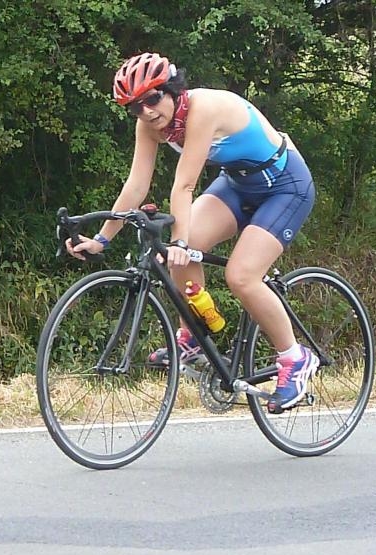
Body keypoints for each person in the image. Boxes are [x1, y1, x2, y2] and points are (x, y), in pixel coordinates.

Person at [65, 52, 318, 414]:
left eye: (153, 98)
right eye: (135, 107)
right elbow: (136, 186)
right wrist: (102, 239)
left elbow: (184, 186)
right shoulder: (149, 125)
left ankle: (295, 358)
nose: (147, 111)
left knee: (241, 276)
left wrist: (181, 241)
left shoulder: (203, 109)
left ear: (172, 89)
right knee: (176, 254)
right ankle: (192, 337)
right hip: (238, 184)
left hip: (285, 185)